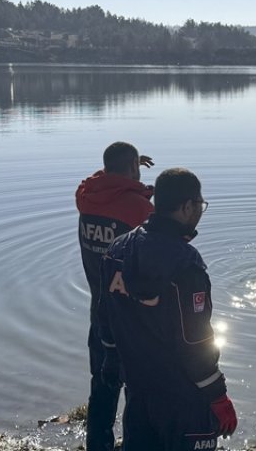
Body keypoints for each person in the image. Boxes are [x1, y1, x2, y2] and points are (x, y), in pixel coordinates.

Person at [99, 168, 237, 450]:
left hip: (138, 390)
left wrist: (111, 361)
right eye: (200, 205)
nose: (200, 211)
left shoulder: (117, 251)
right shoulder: (187, 264)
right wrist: (218, 396)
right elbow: (195, 341)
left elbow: (105, 317)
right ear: (187, 206)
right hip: (183, 398)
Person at [75, 141, 155, 451]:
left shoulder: (86, 198)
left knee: (103, 385)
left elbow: (94, 181)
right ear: (134, 166)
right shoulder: (139, 208)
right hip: (134, 317)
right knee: (139, 388)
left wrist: (123, 173)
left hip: (99, 311)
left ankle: (98, 445)